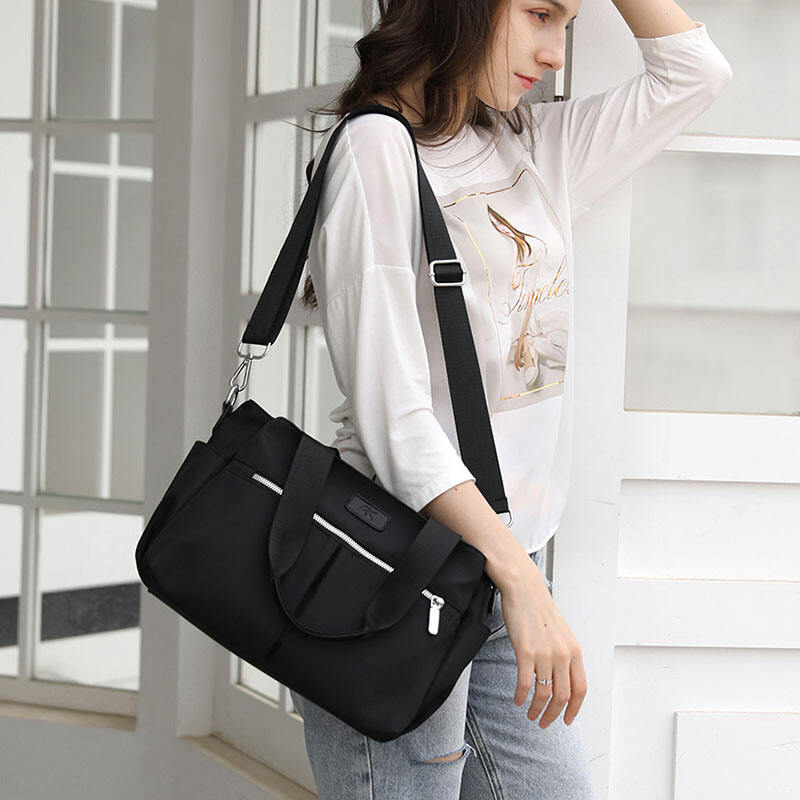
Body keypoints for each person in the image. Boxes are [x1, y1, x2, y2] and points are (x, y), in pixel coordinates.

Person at [289, 0, 733, 796]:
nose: (555, 53)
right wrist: (522, 581)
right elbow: (396, 422)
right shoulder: (375, 152)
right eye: (538, 14)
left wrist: (515, 577)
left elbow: (693, 74)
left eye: (567, 22)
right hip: (390, 575)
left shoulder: (528, 146)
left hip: (495, 572)